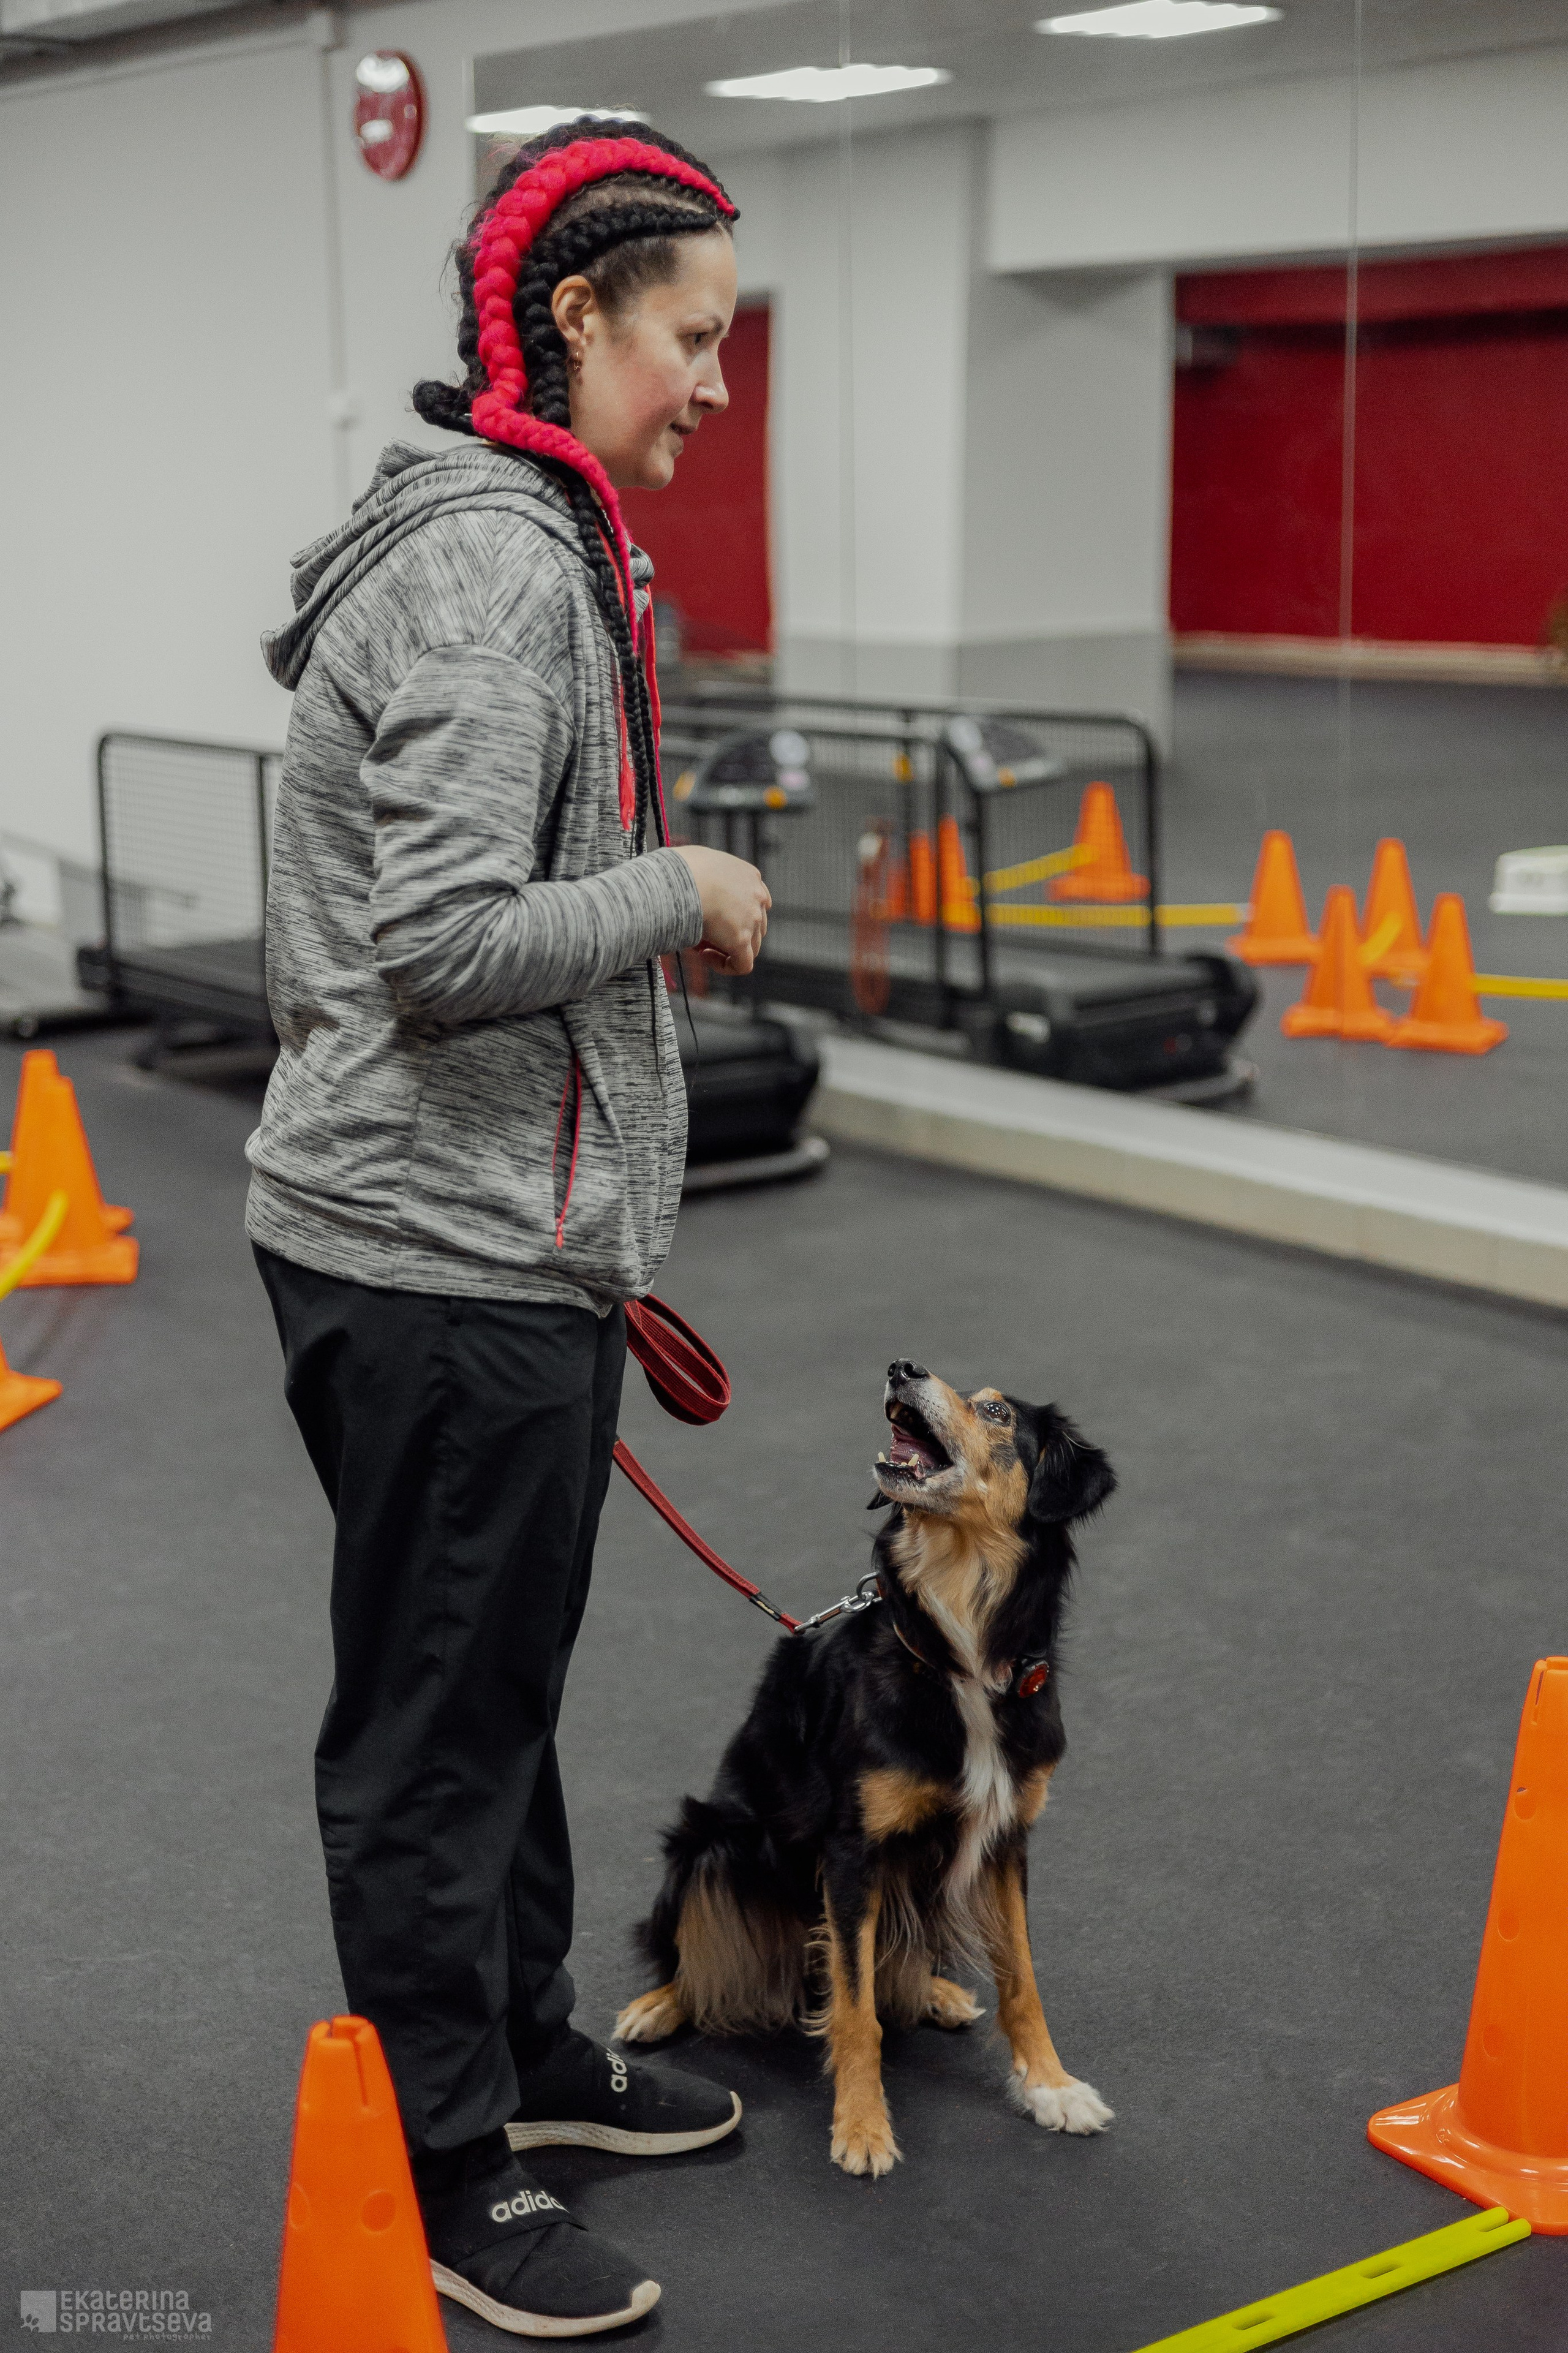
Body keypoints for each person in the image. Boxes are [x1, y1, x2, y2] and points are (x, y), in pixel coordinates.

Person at [247, 121, 771, 2338]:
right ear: (580, 319)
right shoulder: (493, 567)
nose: (714, 387)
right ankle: (443, 2158)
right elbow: (449, 933)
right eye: (694, 337)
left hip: (493, 1239)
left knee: (499, 1683)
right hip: (432, 1250)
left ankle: (529, 2054)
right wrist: (684, 886)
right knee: (435, 1726)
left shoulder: (540, 535)